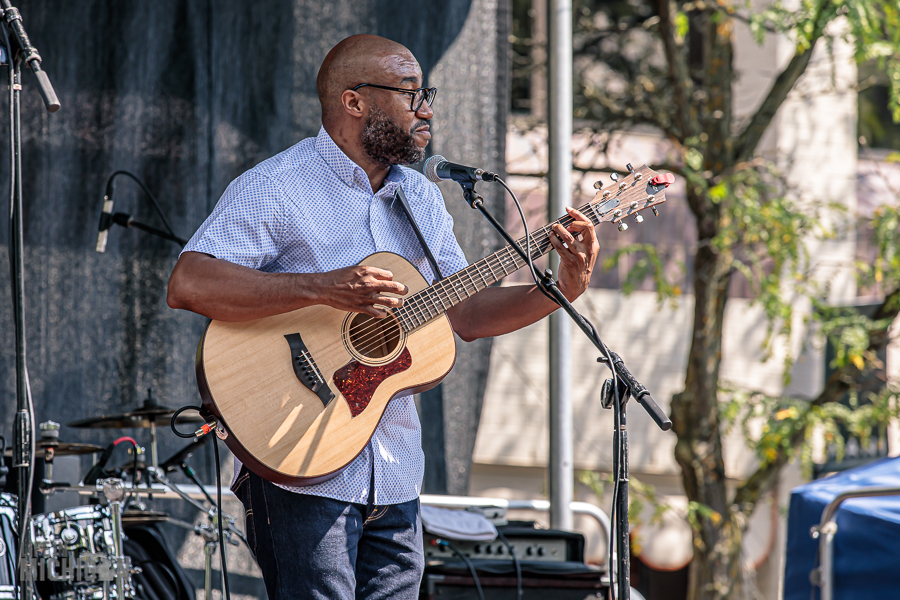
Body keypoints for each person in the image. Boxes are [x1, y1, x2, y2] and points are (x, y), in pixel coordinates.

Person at [167, 34, 599, 600]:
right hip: (299, 461)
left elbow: (463, 313)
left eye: (429, 94)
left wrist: (561, 289)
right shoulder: (277, 186)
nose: (428, 109)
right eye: (411, 93)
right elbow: (189, 282)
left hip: (394, 473)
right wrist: (324, 288)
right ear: (354, 102)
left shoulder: (420, 199)